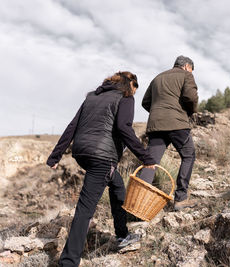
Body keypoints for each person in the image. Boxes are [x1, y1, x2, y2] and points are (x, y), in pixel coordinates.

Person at [46, 71, 156, 267]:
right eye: (135, 89)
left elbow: (73, 125)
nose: (134, 93)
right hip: (102, 157)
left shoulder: (92, 97)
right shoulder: (126, 97)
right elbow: (124, 128)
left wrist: (56, 155)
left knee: (117, 186)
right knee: (85, 209)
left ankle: (122, 235)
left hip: (82, 153)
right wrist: (146, 157)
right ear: (131, 85)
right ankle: (69, 262)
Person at [140, 55, 198, 211]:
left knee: (150, 162)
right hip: (177, 124)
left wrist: (158, 112)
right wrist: (189, 112)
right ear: (186, 66)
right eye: (191, 70)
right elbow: (190, 97)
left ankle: (139, 203)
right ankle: (180, 199)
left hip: (156, 125)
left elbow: (145, 102)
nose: (191, 72)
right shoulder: (186, 75)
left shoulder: (157, 78)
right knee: (188, 155)